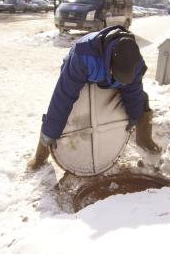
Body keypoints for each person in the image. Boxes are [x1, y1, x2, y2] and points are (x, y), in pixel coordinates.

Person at [27, 25, 162, 170]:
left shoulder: (135, 62)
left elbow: (133, 92)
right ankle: (40, 157)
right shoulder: (83, 56)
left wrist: (134, 115)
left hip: (107, 78)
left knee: (142, 99)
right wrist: (50, 132)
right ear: (110, 68)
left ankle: (145, 142)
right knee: (61, 110)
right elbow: (63, 97)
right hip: (82, 74)